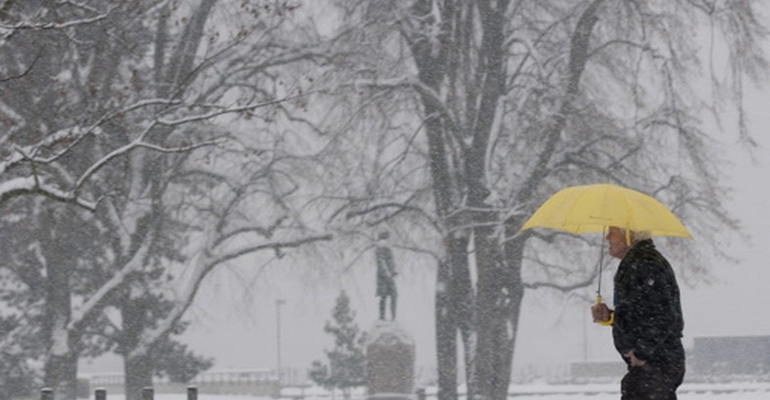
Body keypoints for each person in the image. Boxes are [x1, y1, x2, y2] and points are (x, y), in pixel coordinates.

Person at [591, 226, 685, 400]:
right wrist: (610, 316)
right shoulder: (635, 263)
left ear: (629, 234)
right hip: (652, 365)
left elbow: (664, 316)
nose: (607, 237)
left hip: (655, 363)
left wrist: (642, 353)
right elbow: (640, 313)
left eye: (613, 232)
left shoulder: (646, 264)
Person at [375, 230, 397, 320]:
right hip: (385, 276)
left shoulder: (385, 246)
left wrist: (393, 271)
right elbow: (382, 261)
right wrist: (387, 273)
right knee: (389, 295)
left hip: (387, 275)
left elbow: (388, 261)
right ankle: (389, 317)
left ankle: (386, 317)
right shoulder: (382, 246)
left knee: (386, 296)